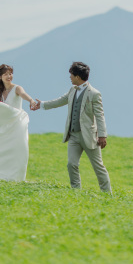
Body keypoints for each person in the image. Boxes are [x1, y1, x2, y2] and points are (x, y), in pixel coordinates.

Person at [32, 61, 111, 193]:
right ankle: (76, 192)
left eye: (71, 75)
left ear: (78, 77)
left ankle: (107, 194)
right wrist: (42, 105)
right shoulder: (72, 90)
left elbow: (100, 115)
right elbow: (60, 101)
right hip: (73, 135)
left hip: (89, 136)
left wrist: (102, 135)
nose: (70, 77)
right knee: (71, 164)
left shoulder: (94, 93)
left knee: (98, 166)